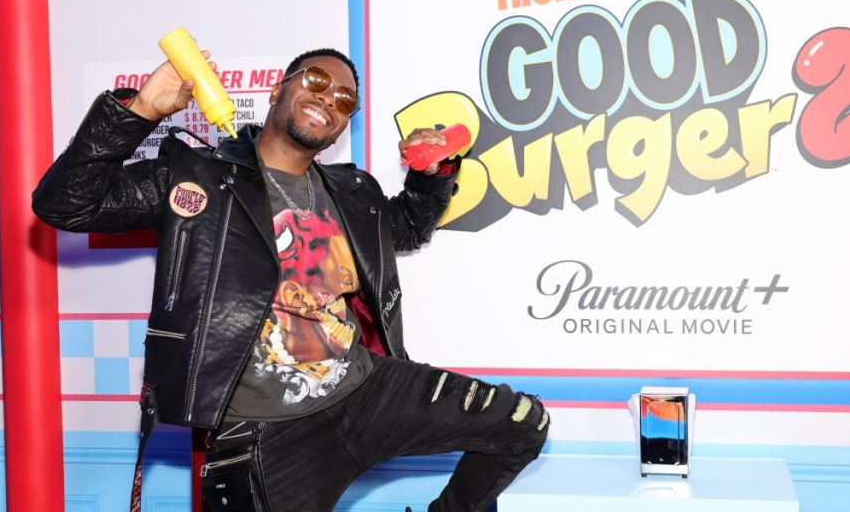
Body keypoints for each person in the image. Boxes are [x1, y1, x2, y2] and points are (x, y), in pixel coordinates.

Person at [32, 47, 549, 511]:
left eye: (344, 99)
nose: (329, 99)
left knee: (523, 422)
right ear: (277, 90)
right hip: (266, 432)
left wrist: (430, 174)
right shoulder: (197, 174)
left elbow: (409, 228)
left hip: (364, 390)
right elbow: (65, 204)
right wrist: (142, 109)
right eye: (316, 81)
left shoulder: (354, 191)